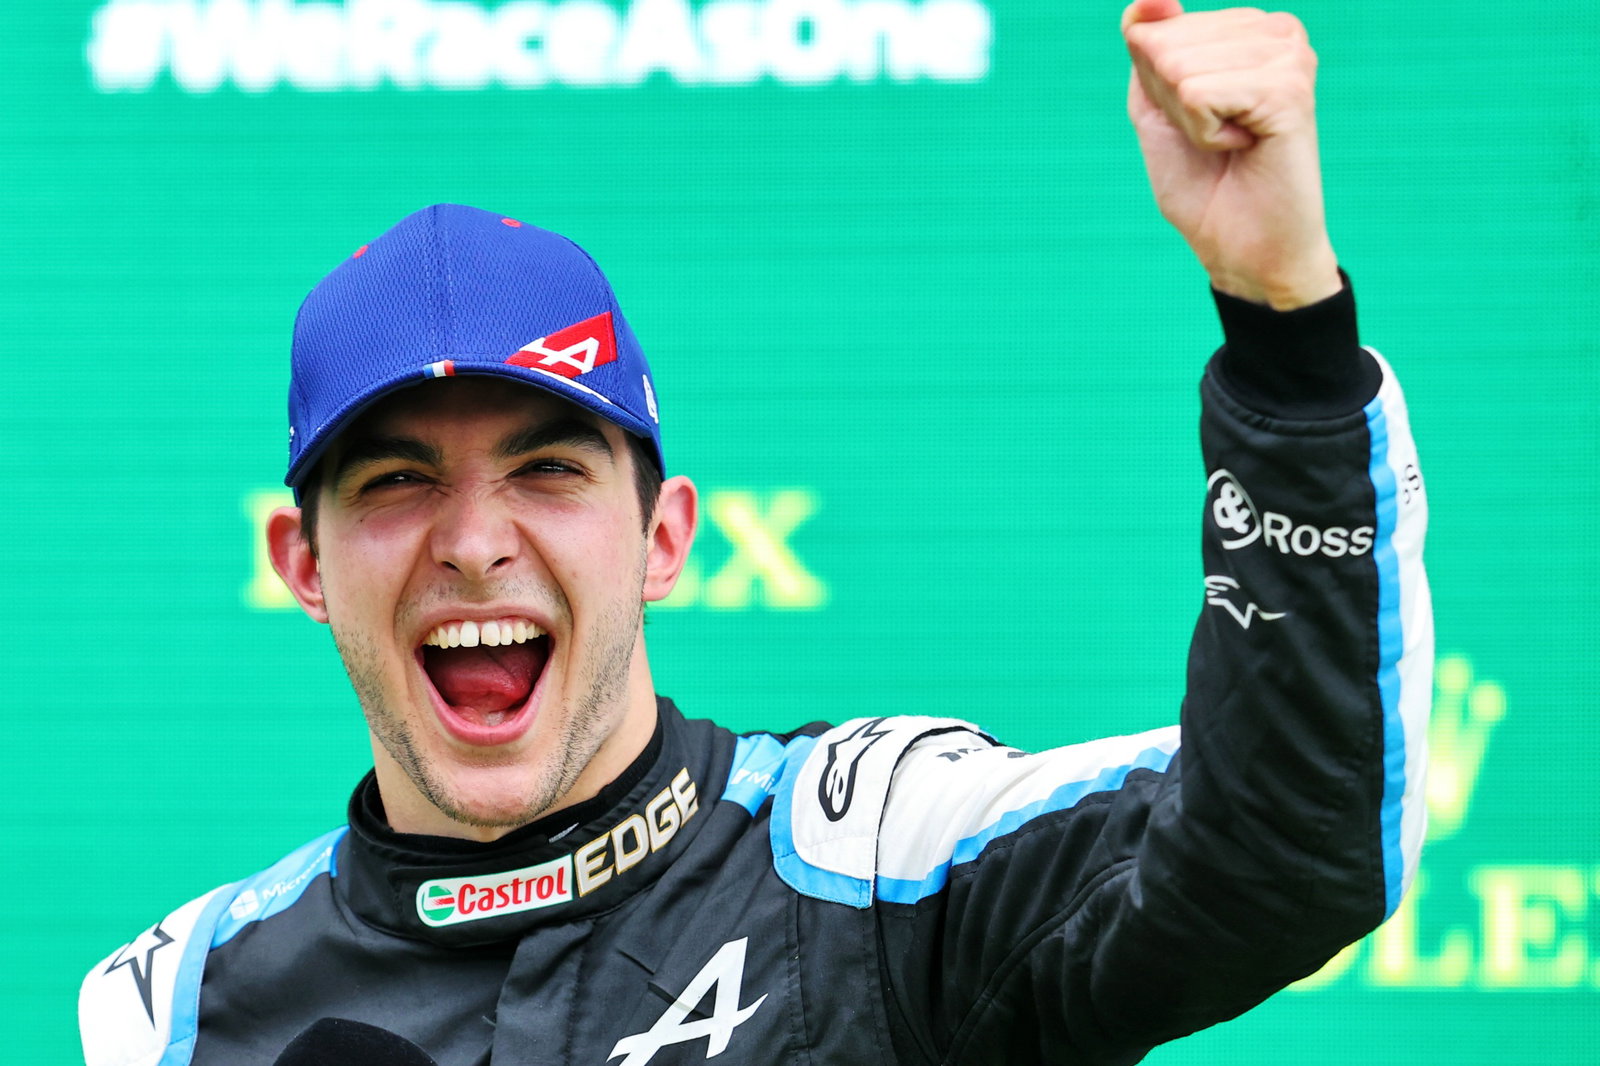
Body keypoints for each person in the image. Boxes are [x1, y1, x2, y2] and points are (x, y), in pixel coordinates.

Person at [80, 2, 1433, 1063]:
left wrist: (1286, 337)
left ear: (664, 536)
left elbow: (1281, 851)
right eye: (396, 483)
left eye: (546, 469)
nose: (474, 539)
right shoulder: (175, 1011)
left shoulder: (883, 865)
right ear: (303, 568)